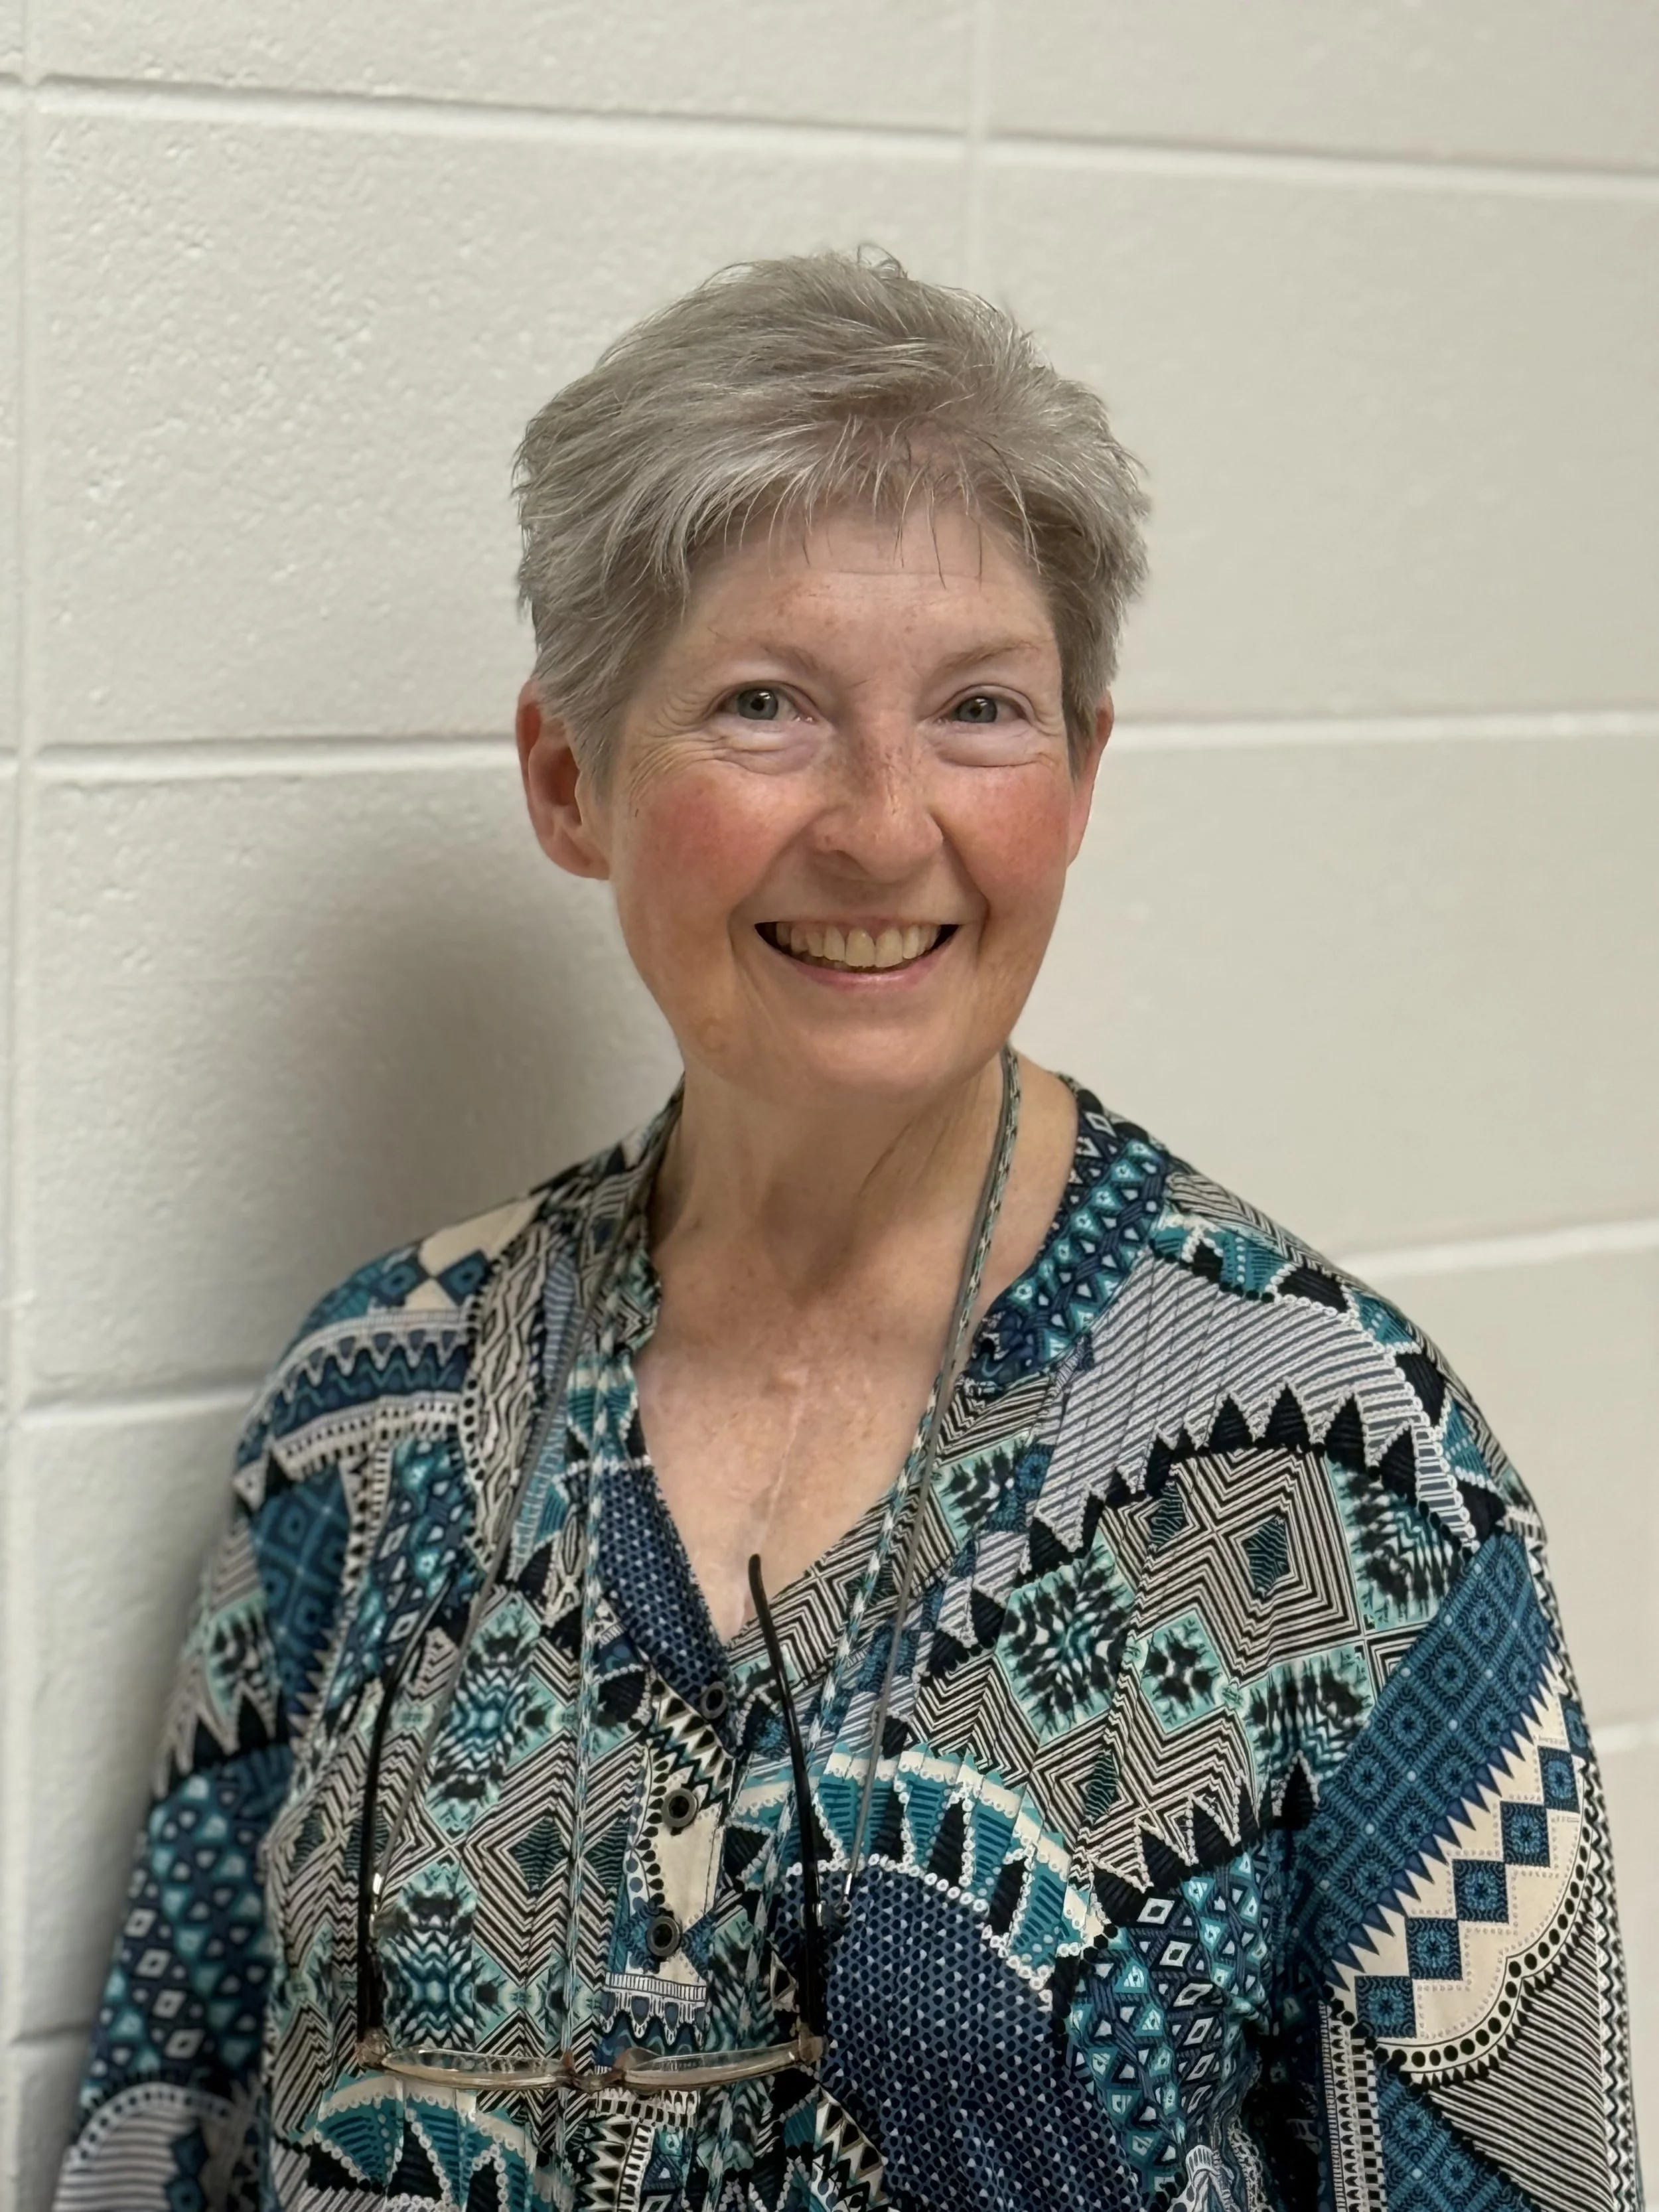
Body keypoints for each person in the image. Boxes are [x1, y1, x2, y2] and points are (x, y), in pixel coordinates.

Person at [55, 251, 1637, 2212]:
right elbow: (160, 2137)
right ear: (567, 778)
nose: (886, 827)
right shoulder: (366, 1415)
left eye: (980, 710)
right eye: (765, 707)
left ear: (1083, 773)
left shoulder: (1335, 1474)